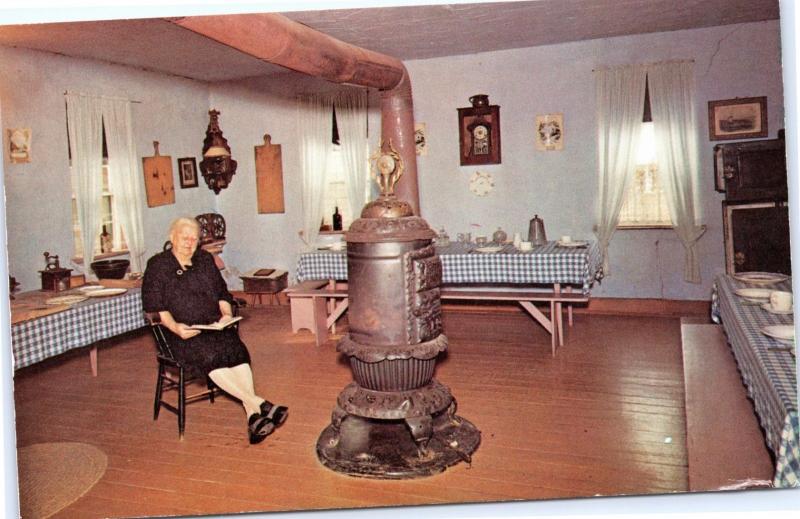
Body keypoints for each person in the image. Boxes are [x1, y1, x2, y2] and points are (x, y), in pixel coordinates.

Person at [142, 217, 287, 444]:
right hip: (180, 334)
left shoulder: (205, 260)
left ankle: (254, 416)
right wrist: (176, 328)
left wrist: (227, 315)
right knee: (210, 355)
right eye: (184, 238)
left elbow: (222, 294)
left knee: (237, 350)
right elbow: (155, 307)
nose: (189, 243)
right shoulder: (158, 265)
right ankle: (259, 404)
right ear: (172, 237)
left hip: (213, 326)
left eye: (194, 239)